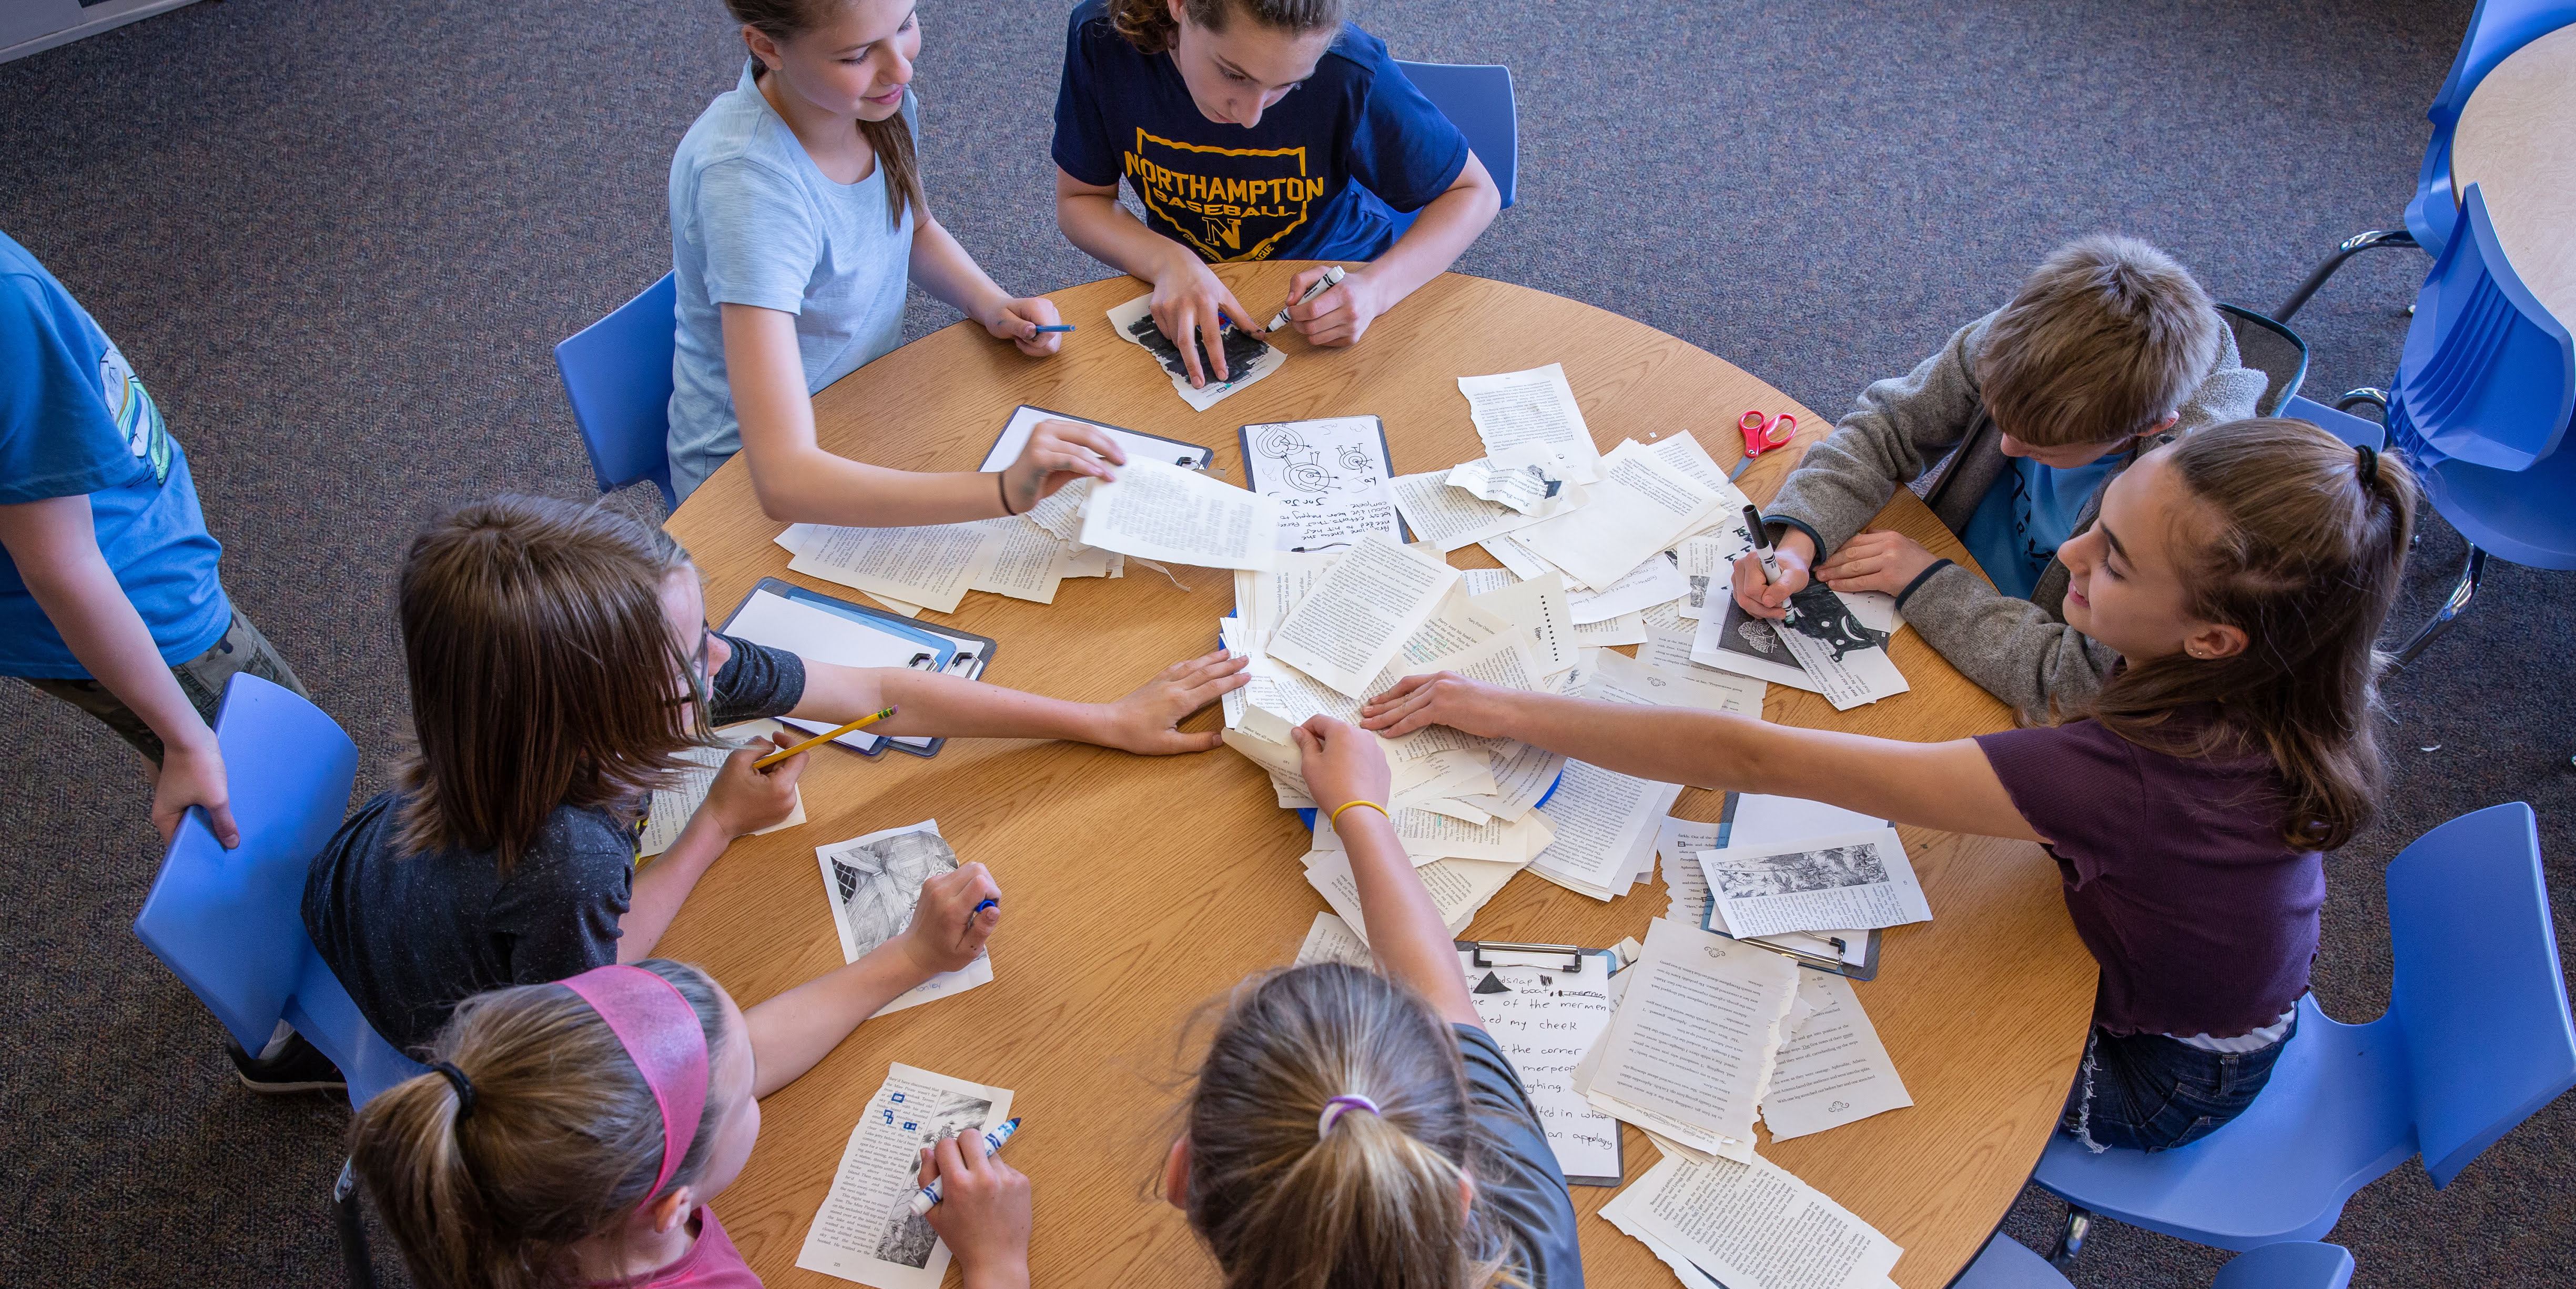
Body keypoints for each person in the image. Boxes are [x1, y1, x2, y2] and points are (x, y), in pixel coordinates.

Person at [1374, 420, 2415, 1152]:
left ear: (2211, 636)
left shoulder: (2127, 777)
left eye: (2117, 562)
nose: (2068, 550)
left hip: (2157, 1078)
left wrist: (1505, 708)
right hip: (2212, 987)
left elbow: (1751, 757)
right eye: (2098, 515)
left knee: (1790, 1075)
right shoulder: (2287, 674)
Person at [304, 495, 1246, 1055]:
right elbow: (596, 1004)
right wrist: (711, 828)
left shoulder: (523, 721)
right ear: (591, 710)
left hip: (358, 877)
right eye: (690, 655)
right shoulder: (569, 863)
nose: (719, 660)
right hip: (426, 1011)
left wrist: (1100, 720)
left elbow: (886, 691)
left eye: (703, 628)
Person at [0, 228, 329, 1090]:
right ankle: (296, 1034)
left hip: (106, 593)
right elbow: (61, 564)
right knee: (278, 795)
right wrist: (183, 735)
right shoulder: (5, 305)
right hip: (148, 611)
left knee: (245, 793)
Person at [347, 892, 1025, 1289]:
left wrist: (910, 957)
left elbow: (737, 1057)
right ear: (671, 1208)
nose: (754, 1070)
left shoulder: (518, 1192)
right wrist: (998, 1261)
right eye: (743, 1097)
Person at [1731, 234, 2267, 717]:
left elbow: (2078, 682)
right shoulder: (2022, 340)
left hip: (2013, 663)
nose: (2006, 446)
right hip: (1943, 596)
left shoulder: (2185, 501)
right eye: (1998, 420)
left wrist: (1926, 581)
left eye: (2039, 447)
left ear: (2150, 428)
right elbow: (1889, 424)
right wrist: (1798, 539)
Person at [1163, 716, 1583, 1286]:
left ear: (1180, 1176)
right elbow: (1442, 995)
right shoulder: (1529, 1249)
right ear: (1464, 1195)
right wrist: (1361, 808)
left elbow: (1441, 1002)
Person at [670, 0, 1122, 515]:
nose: (902, 67)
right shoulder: (750, 189)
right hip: (742, 490)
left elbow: (912, 227)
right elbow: (781, 480)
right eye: (858, 54)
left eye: (905, 24)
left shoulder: (874, 102)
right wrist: (1001, 492)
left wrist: (993, 304)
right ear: (767, 48)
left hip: (859, 411)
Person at [1052, 0, 1503, 387]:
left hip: (1332, 287)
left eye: (1288, 86)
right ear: (1179, 6)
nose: (1251, 117)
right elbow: (1081, 201)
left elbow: (1476, 192)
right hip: (1181, 286)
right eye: (1233, 75)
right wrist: (1168, 260)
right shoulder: (1103, 39)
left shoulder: (1347, 67)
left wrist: (1374, 291)